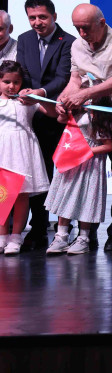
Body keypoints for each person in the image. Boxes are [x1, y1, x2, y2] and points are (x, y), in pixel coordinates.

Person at [57, 3, 112, 252]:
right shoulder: (77, 45)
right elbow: (75, 79)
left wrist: (85, 94)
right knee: (84, 178)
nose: (82, 34)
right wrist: (64, 100)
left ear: (101, 23)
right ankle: (85, 235)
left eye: (86, 28)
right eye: (77, 28)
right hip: (88, 122)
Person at [16, 0, 75, 251]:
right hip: (31, 118)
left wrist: (39, 92)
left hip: (59, 116)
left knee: (62, 175)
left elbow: (63, 78)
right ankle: (38, 228)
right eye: (32, 17)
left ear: (54, 16)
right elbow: (22, 73)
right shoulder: (24, 39)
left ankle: (65, 228)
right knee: (36, 175)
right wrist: (26, 90)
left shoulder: (69, 42)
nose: (37, 22)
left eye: (42, 17)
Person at [44, 85, 112, 255]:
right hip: (71, 161)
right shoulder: (78, 113)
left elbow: (108, 146)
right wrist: (64, 107)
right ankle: (61, 236)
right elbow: (61, 120)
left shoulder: (99, 118)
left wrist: (87, 151)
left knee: (86, 198)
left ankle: (83, 238)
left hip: (89, 163)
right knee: (66, 195)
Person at [0, 61, 50, 254]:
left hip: (23, 151)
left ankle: (16, 237)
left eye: (16, 82)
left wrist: (37, 97)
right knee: (2, 194)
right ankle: (2, 236)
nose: (11, 86)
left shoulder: (27, 102)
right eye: (6, 82)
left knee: (22, 195)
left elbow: (53, 113)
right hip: (3, 151)